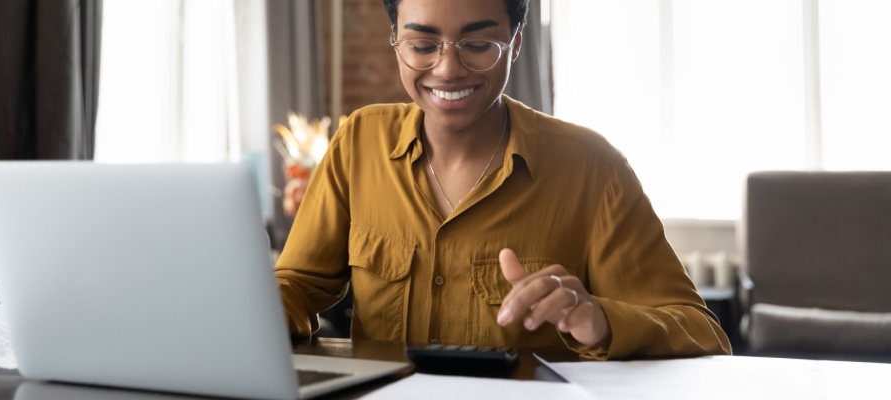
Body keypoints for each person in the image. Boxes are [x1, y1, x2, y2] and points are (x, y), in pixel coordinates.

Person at [274, 0, 732, 360]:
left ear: (514, 42)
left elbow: (701, 330)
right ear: (395, 39)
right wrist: (257, 308)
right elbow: (296, 286)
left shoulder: (593, 168)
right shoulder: (359, 142)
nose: (448, 69)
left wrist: (602, 320)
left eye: (477, 45)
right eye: (422, 45)